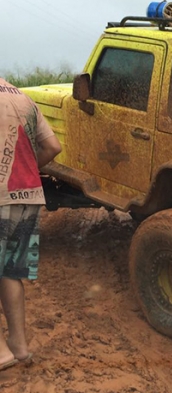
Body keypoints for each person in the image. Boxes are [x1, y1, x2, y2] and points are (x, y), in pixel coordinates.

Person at [0, 77, 62, 371]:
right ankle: (19, 347)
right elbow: (53, 146)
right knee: (10, 271)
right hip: (28, 195)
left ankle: (1, 352)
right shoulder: (22, 97)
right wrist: (25, 169)